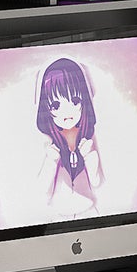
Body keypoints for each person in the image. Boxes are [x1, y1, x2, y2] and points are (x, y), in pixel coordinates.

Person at [36, 58, 102, 214]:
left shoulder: (89, 136)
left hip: (90, 213)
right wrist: (50, 161)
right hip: (57, 219)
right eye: (55, 105)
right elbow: (40, 188)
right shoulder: (46, 141)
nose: (66, 112)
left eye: (75, 100)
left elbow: (97, 182)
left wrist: (92, 161)